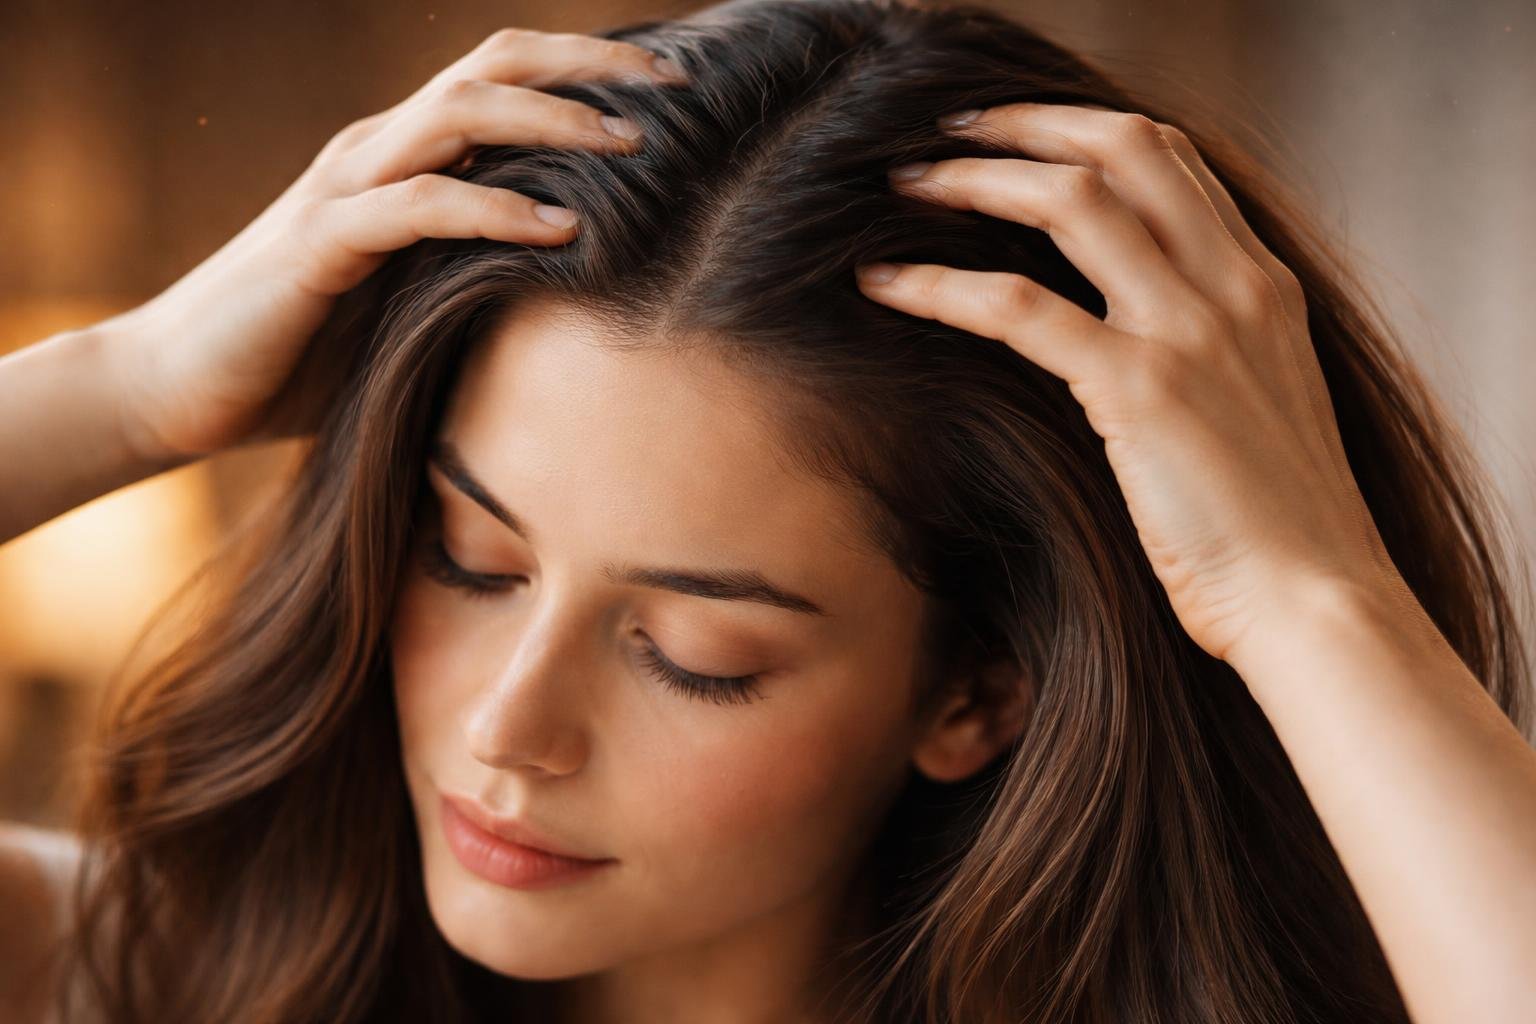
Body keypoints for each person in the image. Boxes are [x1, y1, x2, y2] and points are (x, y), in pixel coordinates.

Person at [1, 0, 1533, 1020]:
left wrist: (1302, 590)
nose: (506, 729)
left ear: (976, 693)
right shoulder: (170, 979)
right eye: (468, 559)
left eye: (694, 653)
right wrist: (127, 386)